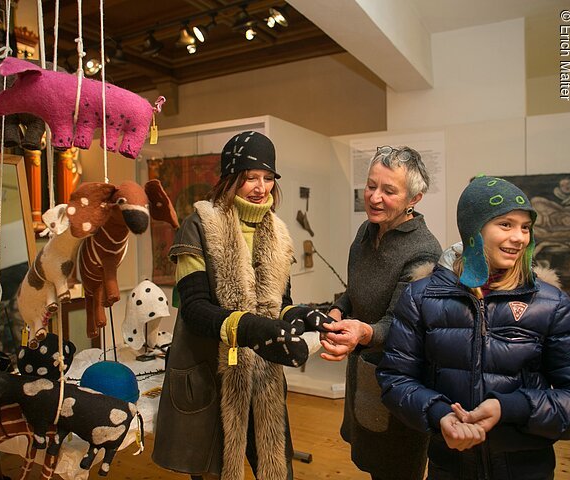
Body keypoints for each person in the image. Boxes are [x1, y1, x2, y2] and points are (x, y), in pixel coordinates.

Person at [152, 131, 327, 480]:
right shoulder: (199, 226)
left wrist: (301, 316)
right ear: (231, 179)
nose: (261, 188)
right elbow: (194, 308)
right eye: (250, 178)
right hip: (212, 372)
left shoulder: (278, 233)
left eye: (268, 178)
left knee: (276, 469)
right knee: (216, 470)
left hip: (264, 376)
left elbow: (280, 305)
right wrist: (251, 327)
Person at [377, 176, 570, 480]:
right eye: (506, 224)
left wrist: (510, 408)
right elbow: (395, 379)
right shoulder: (421, 297)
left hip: (525, 470)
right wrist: (439, 414)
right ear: (474, 230)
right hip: (450, 467)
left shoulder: (552, 304)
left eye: (525, 227)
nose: (519, 237)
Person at [321, 145, 443, 479]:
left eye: (389, 191)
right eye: (371, 186)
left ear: (414, 199)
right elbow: (354, 292)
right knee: (372, 461)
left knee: (396, 467)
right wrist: (337, 311)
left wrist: (364, 331)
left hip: (400, 382)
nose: (374, 197)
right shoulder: (366, 231)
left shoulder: (424, 250)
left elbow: (402, 324)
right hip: (363, 372)